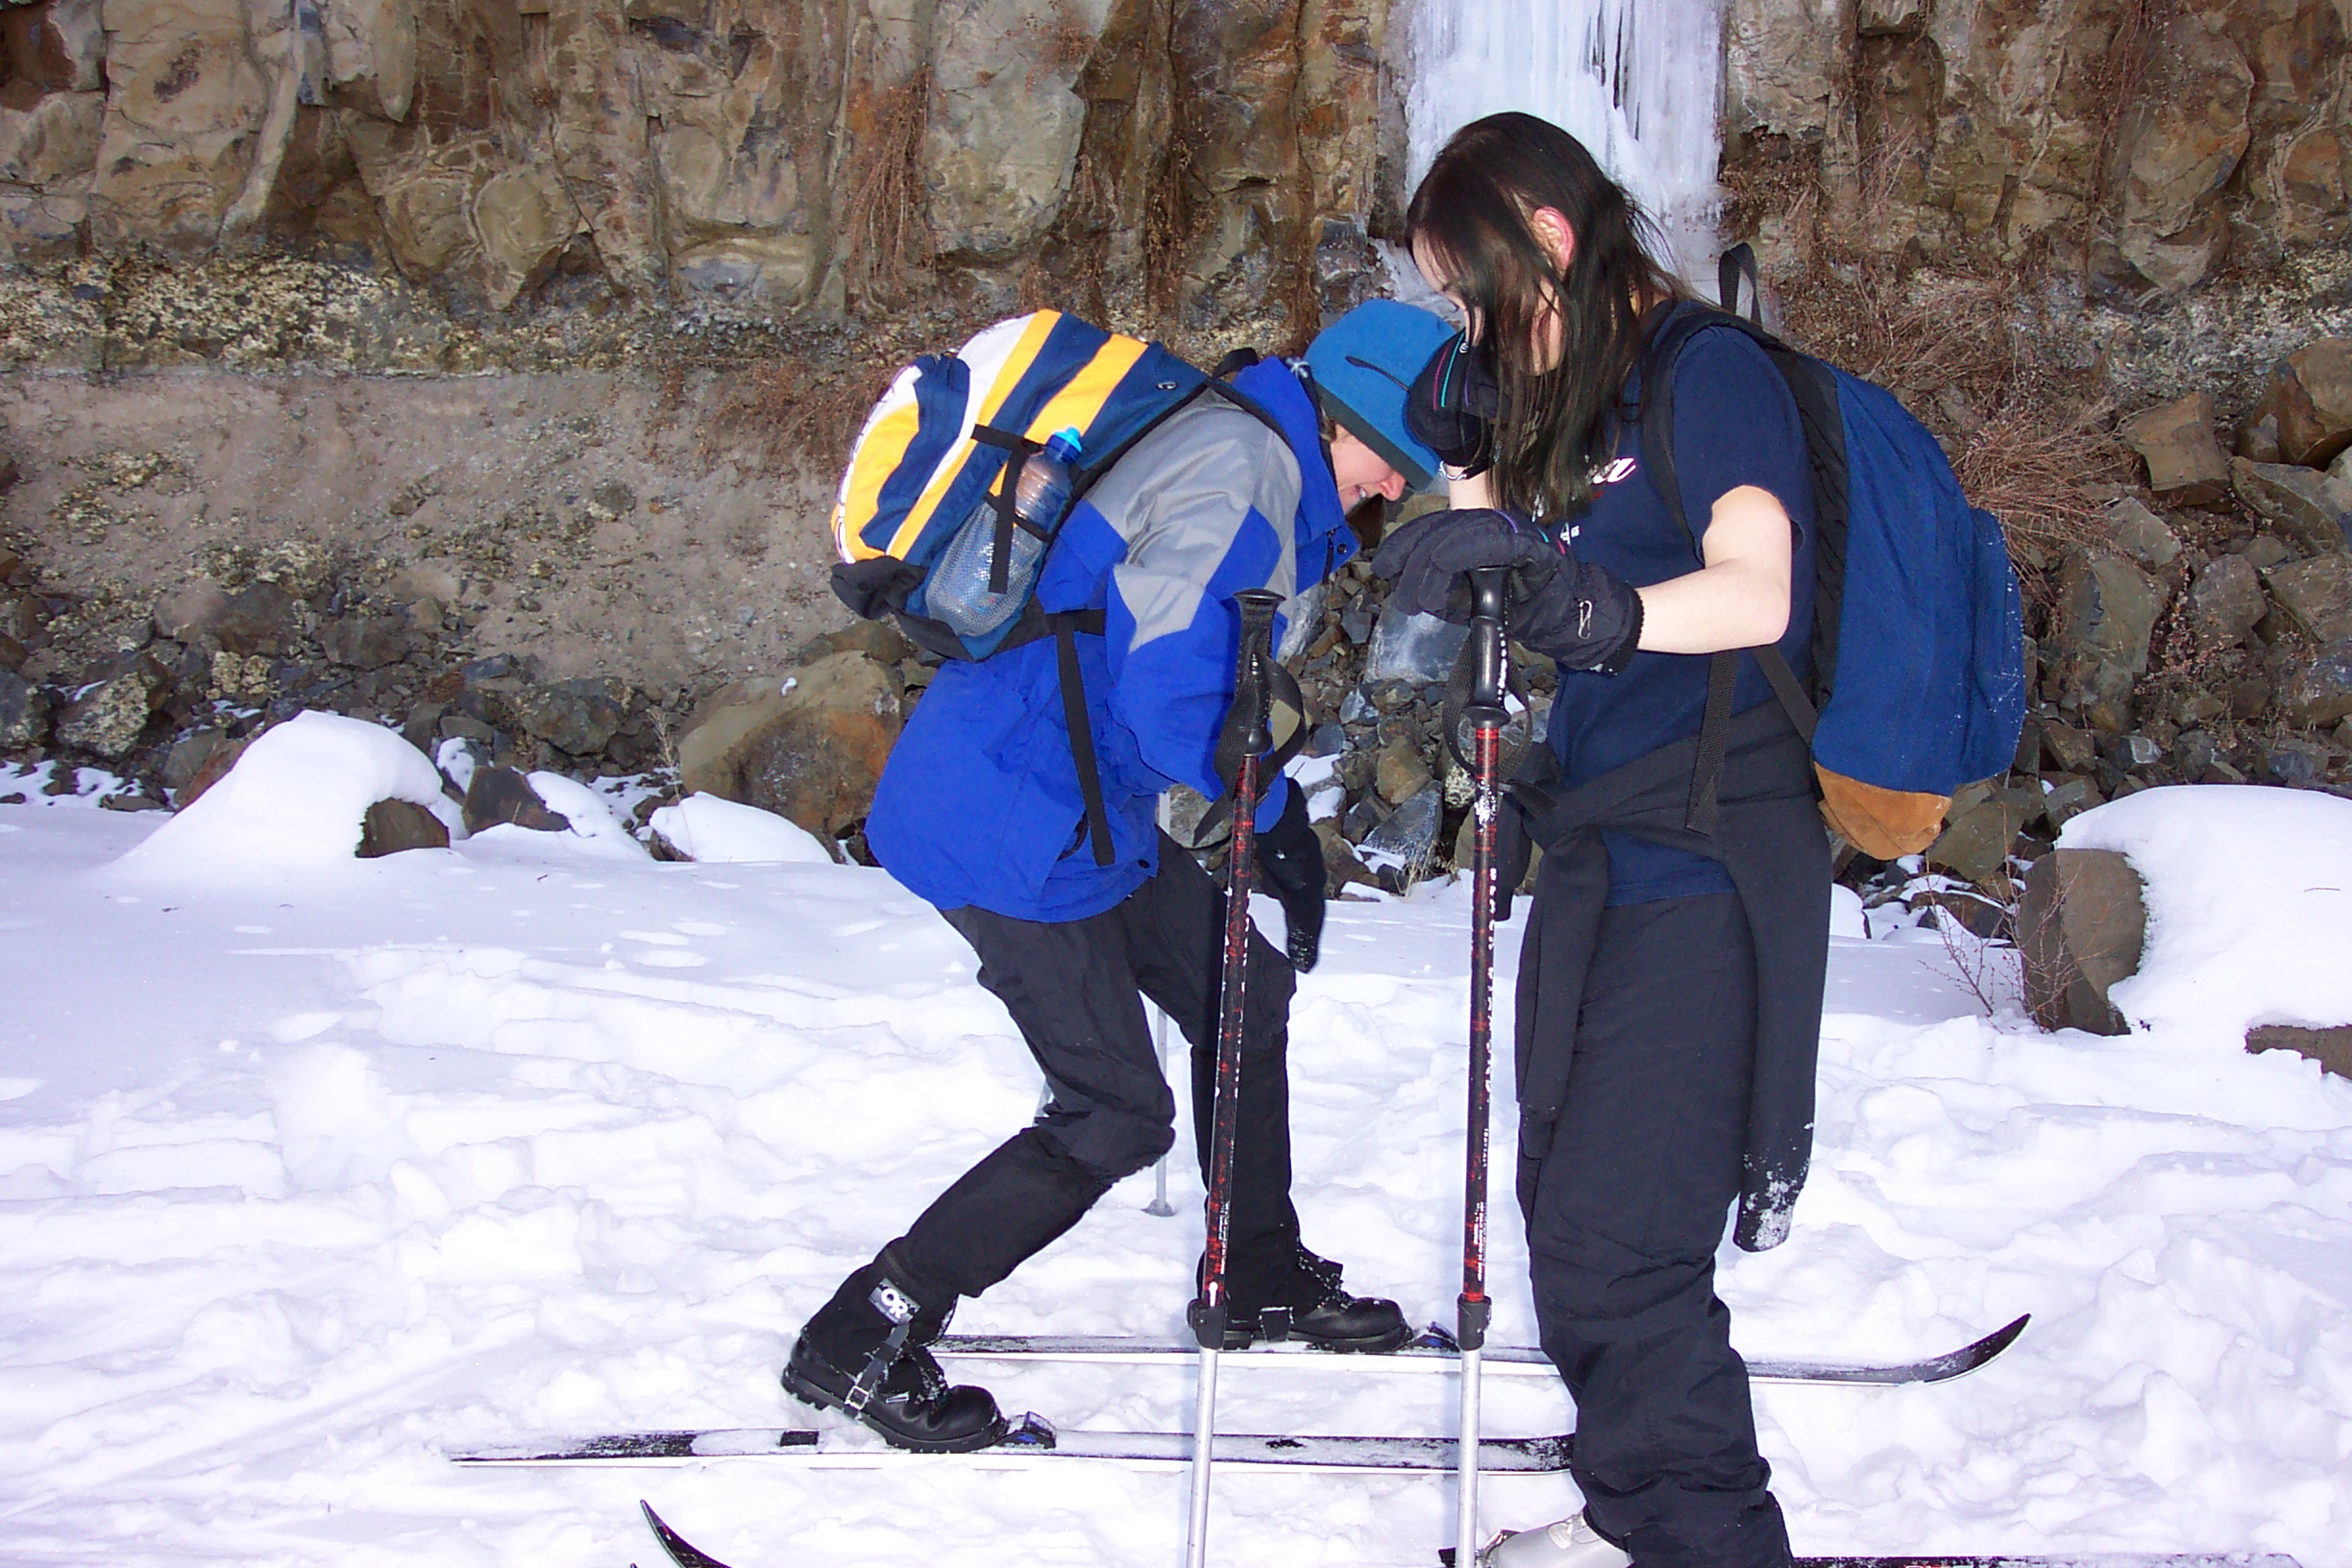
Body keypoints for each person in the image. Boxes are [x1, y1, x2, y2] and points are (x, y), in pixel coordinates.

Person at [784, 299, 1462, 1453]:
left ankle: (1253, 1270)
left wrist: (1253, 809)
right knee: (1112, 1112)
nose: (1392, 489)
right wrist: (1270, 809)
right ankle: (863, 1333)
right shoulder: (1243, 468)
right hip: (1009, 817)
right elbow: (1169, 689)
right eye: (1388, 462)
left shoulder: (1248, 449)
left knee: (1238, 984)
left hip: (1084, 807)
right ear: (1339, 418)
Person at [1373, 114, 1830, 1568]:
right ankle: (1643, 1515)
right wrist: (1471, 482)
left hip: (1711, 861)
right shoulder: (1585, 402)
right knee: (1569, 1226)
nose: (1468, 319)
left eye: (1472, 286)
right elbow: (1522, 574)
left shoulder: (1713, 376)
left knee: (1623, 1253)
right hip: (1600, 856)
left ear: (1548, 243)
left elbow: (1755, 591)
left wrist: (1609, 616)